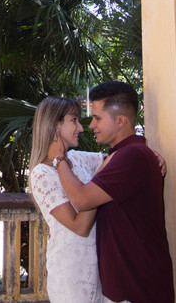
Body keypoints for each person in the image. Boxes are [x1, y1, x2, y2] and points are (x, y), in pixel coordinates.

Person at [56, 81, 174, 303]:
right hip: (130, 287)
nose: (91, 126)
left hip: (139, 289)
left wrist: (59, 158)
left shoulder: (132, 157)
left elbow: (82, 200)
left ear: (121, 121)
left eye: (98, 118)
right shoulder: (124, 156)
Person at [27, 96, 105, 303]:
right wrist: (97, 188)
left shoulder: (79, 159)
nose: (81, 127)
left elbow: (117, 161)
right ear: (55, 127)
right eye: (74, 120)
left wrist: (149, 155)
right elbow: (80, 226)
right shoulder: (42, 174)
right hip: (70, 276)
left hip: (99, 270)